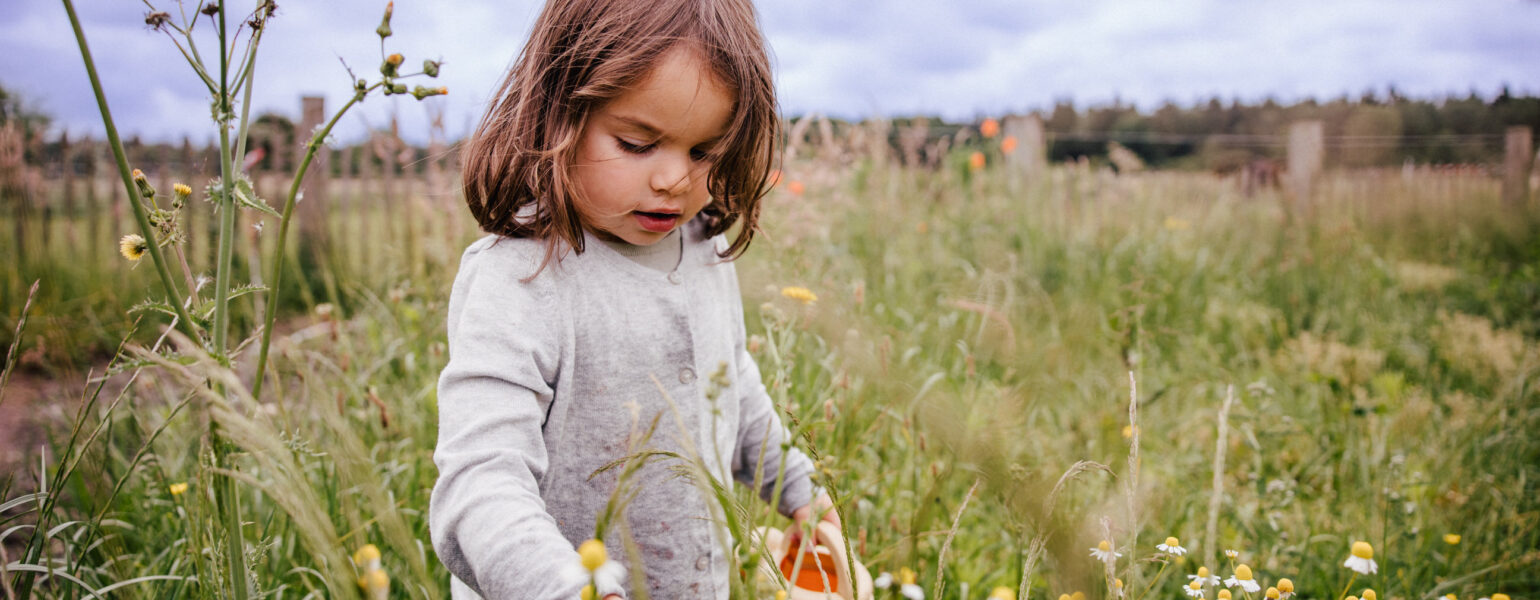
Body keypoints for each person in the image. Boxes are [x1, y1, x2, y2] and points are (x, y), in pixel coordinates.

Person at [429, 0, 838, 598]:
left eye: (703, 152)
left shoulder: (699, 245)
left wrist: (800, 492)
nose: (675, 180)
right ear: (559, 114)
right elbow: (481, 479)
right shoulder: (520, 276)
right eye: (637, 144)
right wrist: (571, 587)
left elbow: (733, 384)